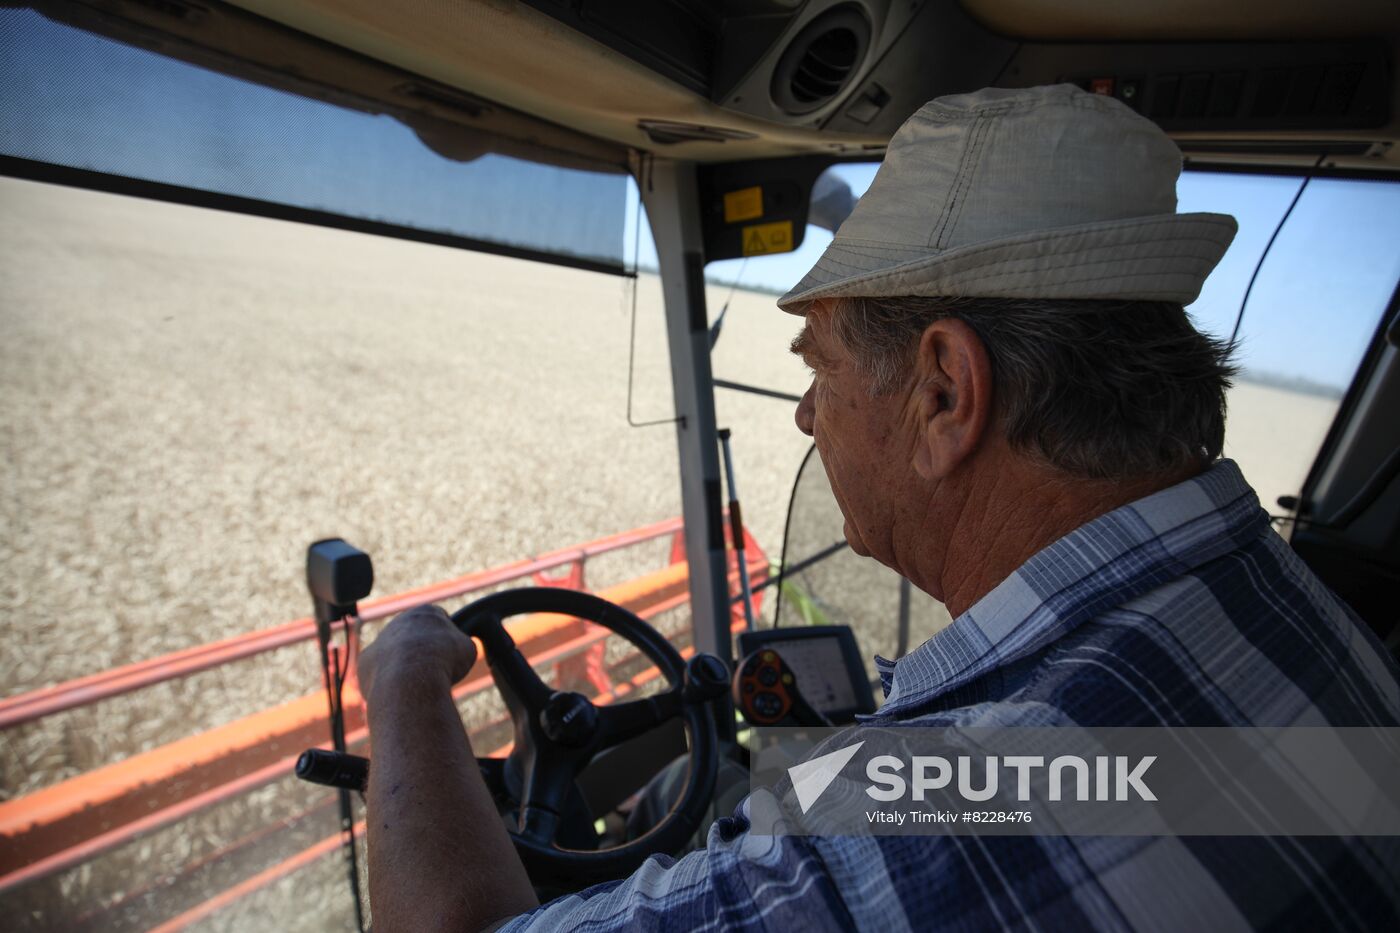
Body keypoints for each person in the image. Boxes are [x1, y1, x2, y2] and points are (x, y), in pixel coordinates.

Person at [357, 85, 1400, 932]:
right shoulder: (1293, 603)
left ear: (943, 391)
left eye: (820, 362)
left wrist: (403, 679)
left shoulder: (950, 819)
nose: (808, 413)